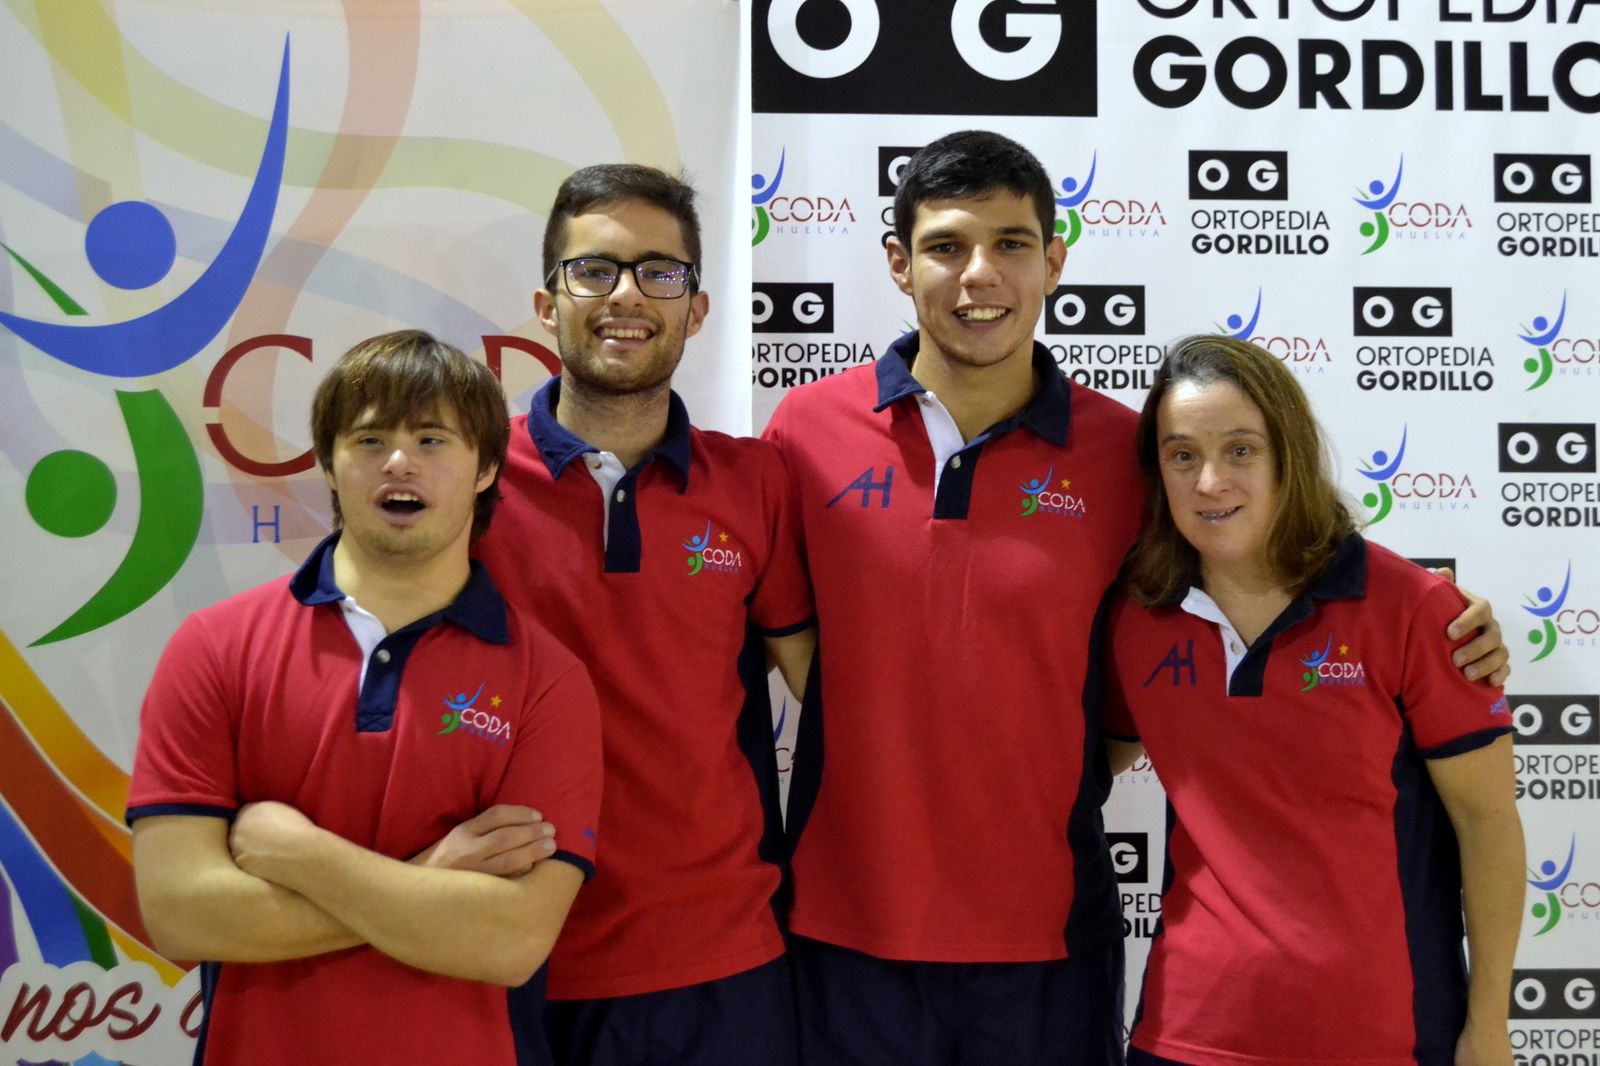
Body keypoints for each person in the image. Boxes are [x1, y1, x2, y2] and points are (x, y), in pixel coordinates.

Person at [761, 130, 1510, 1066]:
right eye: (947, 246)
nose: (978, 273)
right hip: (843, 924)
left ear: (1055, 261)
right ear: (899, 263)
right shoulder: (803, 428)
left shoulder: (1128, 454)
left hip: (1048, 937)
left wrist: (1439, 614)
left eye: (1012, 243)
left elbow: (1252, 563)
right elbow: (792, 649)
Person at [128, 331, 603, 1066]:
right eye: (369, 437)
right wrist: (428, 886)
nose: (398, 462)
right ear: (327, 463)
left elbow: (509, 941)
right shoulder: (214, 647)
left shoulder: (547, 679)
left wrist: (299, 853)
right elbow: (181, 915)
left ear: (484, 469)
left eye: (433, 439)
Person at [471, 164, 816, 1066]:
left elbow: (828, 692)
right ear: (547, 305)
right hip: (508, 954)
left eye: (661, 272)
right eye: (596, 270)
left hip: (718, 962)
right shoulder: (462, 480)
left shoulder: (756, 483)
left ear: (697, 309)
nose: (627, 295)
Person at [1102, 334, 1523, 1066]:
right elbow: (1080, 762)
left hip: (1381, 1037)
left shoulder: (1416, 611)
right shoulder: (1137, 617)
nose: (1209, 482)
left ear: (1287, 455)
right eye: (1181, 455)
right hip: (1186, 1035)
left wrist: (1489, 1024)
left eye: (1240, 450)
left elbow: (1487, 824)